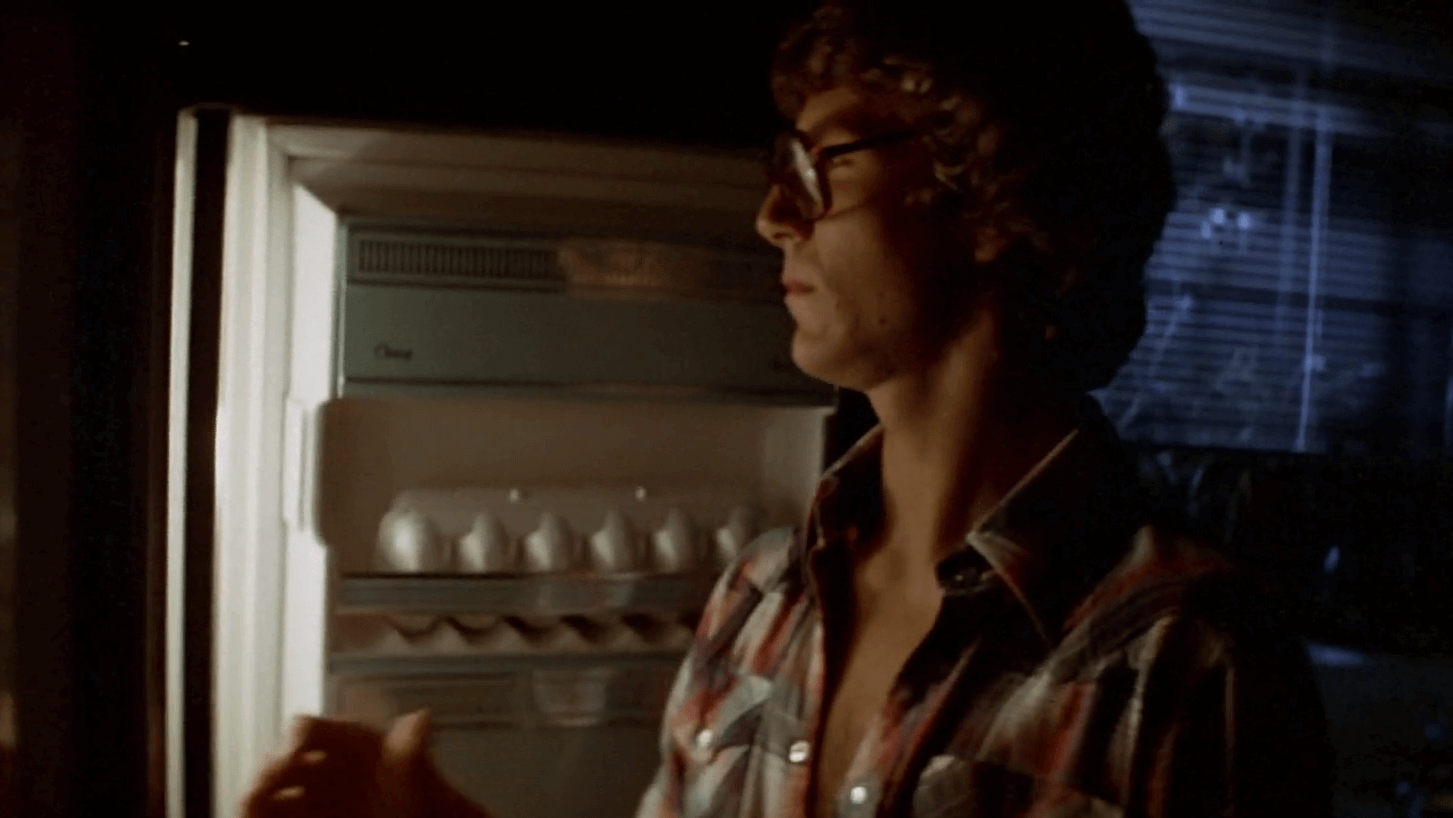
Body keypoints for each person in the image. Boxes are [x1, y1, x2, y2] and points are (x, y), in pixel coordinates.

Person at [240, 0, 1336, 816]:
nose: (773, 215)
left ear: (997, 195)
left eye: (825, 164)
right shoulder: (761, 600)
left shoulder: (1184, 660)